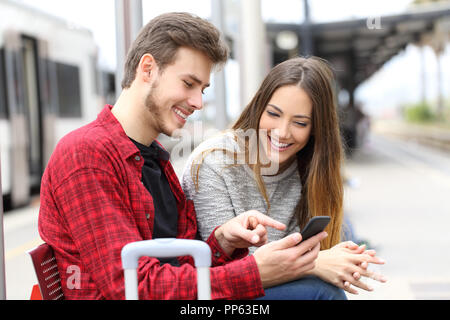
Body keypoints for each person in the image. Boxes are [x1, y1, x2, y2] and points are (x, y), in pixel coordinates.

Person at [39, 12, 332, 300]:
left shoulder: (155, 159)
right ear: (148, 69)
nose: (198, 103)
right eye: (188, 84)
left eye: (202, 89)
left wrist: (222, 242)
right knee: (319, 293)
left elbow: (178, 268)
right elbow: (132, 287)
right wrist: (256, 272)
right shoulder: (87, 155)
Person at [182, 57, 387, 297]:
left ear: (315, 129)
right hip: (221, 293)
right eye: (274, 114)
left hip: (274, 288)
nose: (282, 132)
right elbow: (224, 269)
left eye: (300, 123)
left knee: (336, 263)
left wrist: (345, 260)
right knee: (324, 292)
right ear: (259, 108)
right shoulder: (213, 162)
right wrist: (316, 264)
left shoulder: (311, 168)